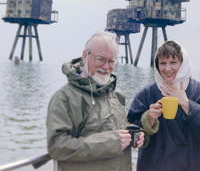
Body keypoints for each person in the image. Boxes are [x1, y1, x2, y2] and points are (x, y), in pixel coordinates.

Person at [46, 31, 144, 171]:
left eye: (111, 61)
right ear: (86, 55)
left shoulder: (116, 94)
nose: (106, 67)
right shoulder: (64, 98)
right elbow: (57, 147)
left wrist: (132, 136)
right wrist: (111, 142)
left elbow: (115, 129)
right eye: (101, 59)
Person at [127, 40, 200, 171]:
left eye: (173, 63)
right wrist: (149, 118)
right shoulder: (146, 93)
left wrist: (186, 103)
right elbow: (133, 135)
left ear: (183, 64)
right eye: (162, 63)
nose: (167, 69)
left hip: (191, 165)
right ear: (157, 65)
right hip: (153, 165)